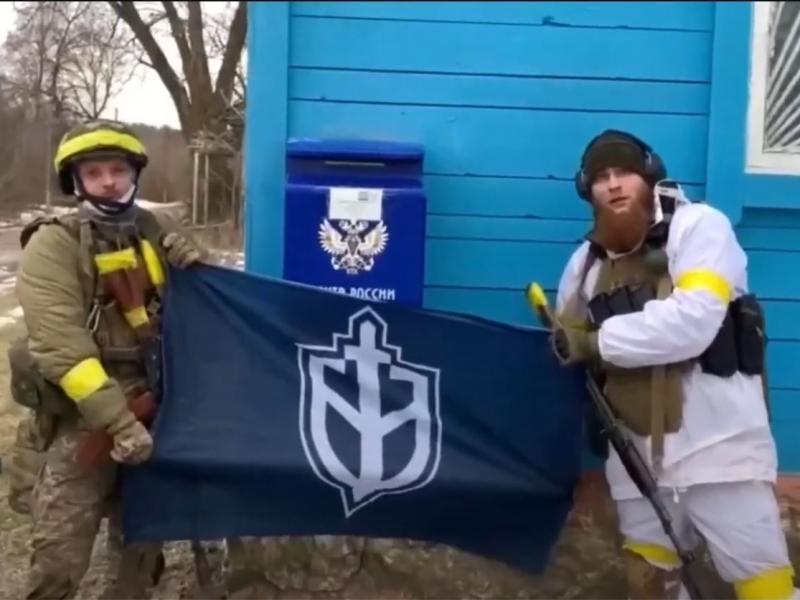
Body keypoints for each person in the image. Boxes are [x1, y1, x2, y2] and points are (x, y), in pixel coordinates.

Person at [550, 129, 797, 599]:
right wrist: (563, 342)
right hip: (636, 457)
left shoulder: (699, 228)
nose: (614, 185)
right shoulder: (585, 264)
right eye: (601, 177)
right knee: (650, 585)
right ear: (588, 190)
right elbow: (566, 341)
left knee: (764, 585)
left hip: (719, 450)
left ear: (649, 176)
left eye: (624, 172)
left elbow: (694, 321)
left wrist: (597, 342)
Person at [8, 119, 204, 599]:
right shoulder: (53, 244)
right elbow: (62, 347)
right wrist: (118, 423)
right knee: (59, 554)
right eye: (94, 173)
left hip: (157, 407)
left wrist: (199, 266)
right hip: (83, 417)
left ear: (134, 173)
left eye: (118, 170)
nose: (109, 182)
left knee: (141, 549)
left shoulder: (157, 232)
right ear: (75, 181)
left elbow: (208, 311)